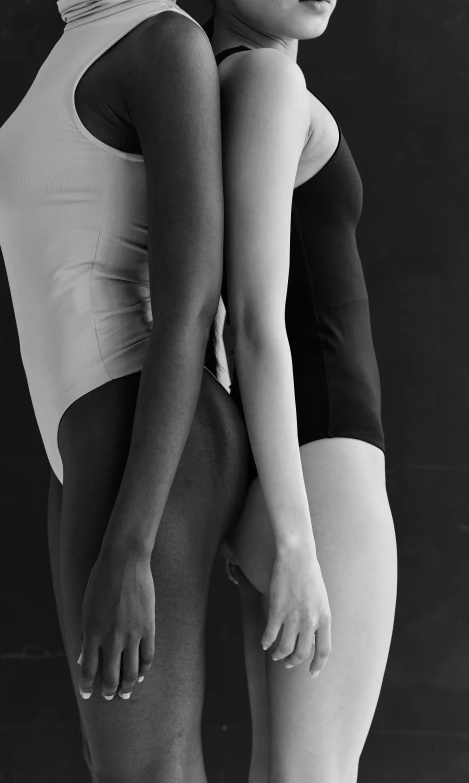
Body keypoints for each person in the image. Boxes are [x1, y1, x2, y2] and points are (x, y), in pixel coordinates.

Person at [0, 1, 249, 781]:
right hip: (87, 441)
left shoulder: (163, 41)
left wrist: (131, 543)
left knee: (146, 773)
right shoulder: (75, 42)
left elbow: (191, 304)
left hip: (144, 436)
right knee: (123, 767)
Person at [208, 1, 399, 781]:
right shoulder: (266, 81)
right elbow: (252, 321)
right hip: (323, 479)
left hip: (283, 470)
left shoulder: (212, 84)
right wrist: (295, 538)